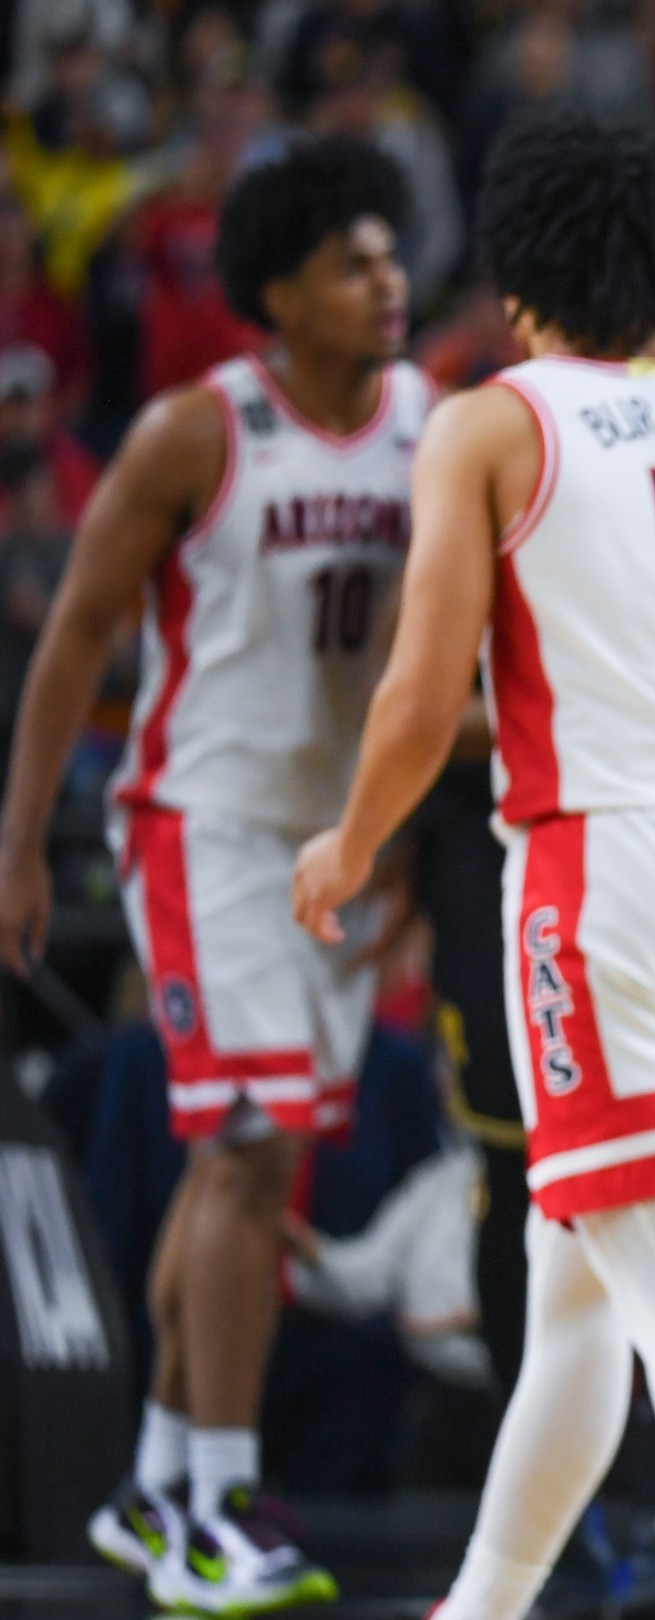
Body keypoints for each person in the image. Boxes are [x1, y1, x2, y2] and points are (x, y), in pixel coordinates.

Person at [286, 115, 655, 1620]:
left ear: (527, 274)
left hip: (609, 872)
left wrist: (349, 844)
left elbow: (422, 697)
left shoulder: (494, 420)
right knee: (584, 1294)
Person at [0, 136, 420, 1617]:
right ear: (277, 291)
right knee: (244, 1153)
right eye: (352, 262)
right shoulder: (200, 432)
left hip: (335, 848)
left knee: (243, 1165)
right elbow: (74, 638)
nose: (387, 281)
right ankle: (222, 1500)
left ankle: (159, 1487)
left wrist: (408, 853)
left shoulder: (432, 422)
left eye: (389, 254)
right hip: (201, 825)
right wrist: (17, 848)